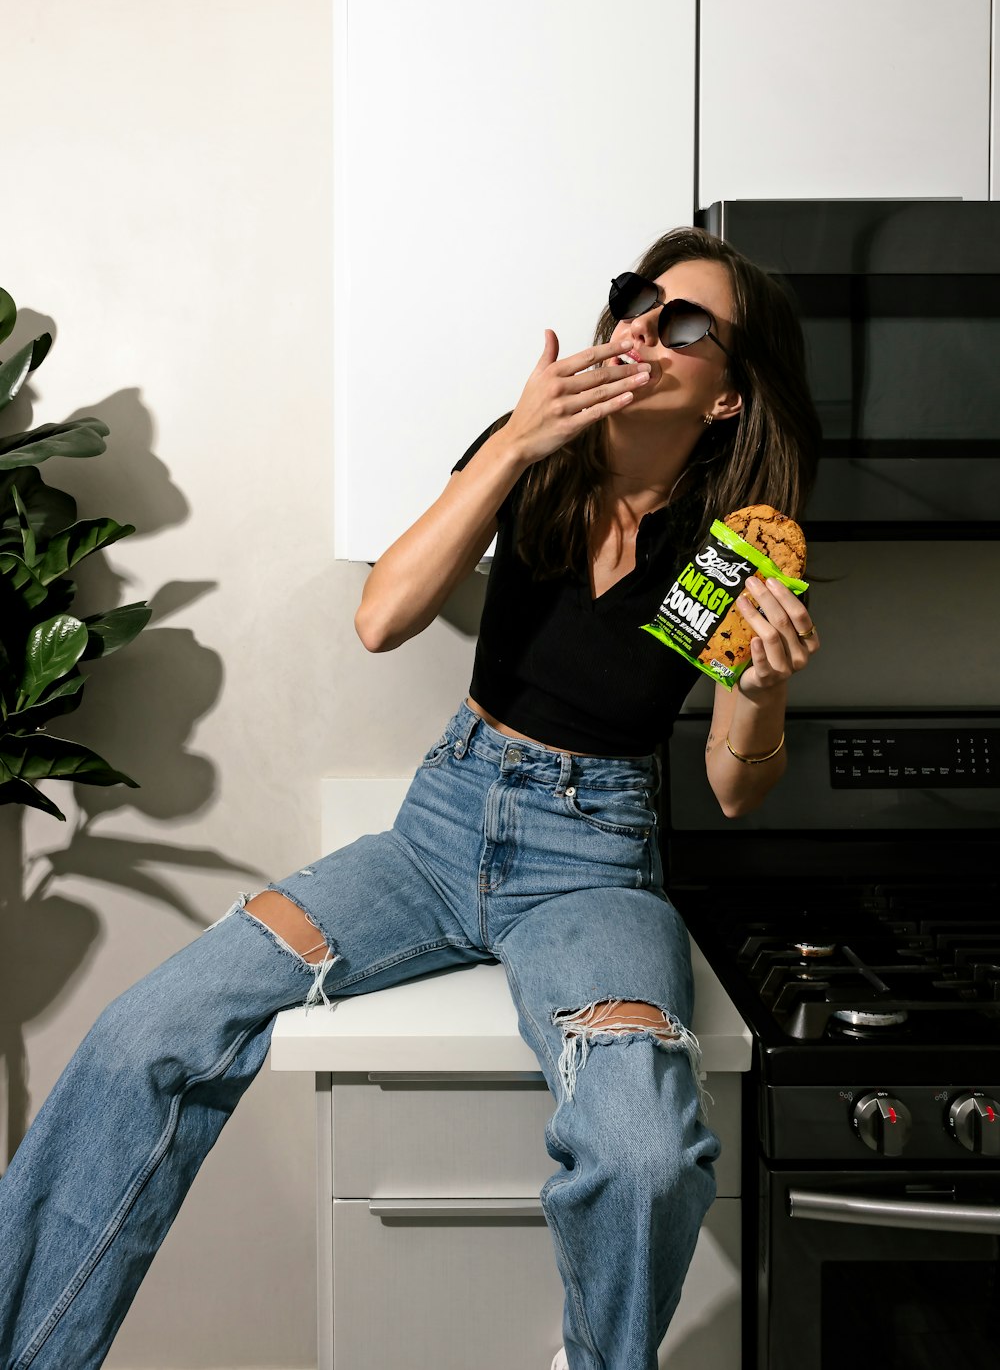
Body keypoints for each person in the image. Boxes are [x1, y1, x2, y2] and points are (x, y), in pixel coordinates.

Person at [0, 225, 821, 1370]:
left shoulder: (728, 550)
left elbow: (735, 784)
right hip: (434, 836)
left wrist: (765, 686)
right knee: (145, 1035)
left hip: (593, 868)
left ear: (727, 398)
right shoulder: (532, 454)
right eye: (635, 300)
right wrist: (520, 437)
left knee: (643, 1152)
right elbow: (382, 618)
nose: (641, 327)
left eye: (684, 324)